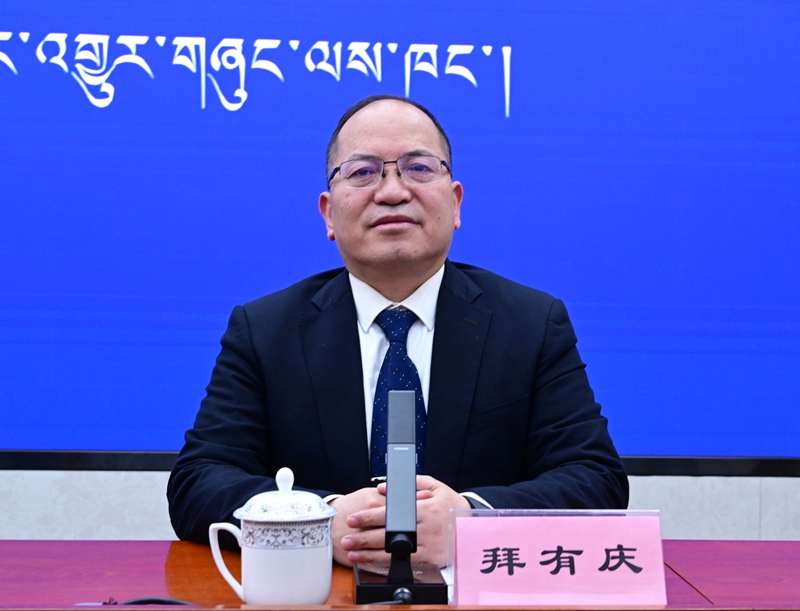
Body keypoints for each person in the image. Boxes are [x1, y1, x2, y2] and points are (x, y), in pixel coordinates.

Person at [167, 94, 628, 569]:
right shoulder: (264, 331)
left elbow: (596, 479)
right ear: (329, 213)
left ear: (455, 203)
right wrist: (316, 520)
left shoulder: (531, 323)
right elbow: (197, 483)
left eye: (418, 168)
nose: (391, 192)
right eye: (363, 172)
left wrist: (472, 521)